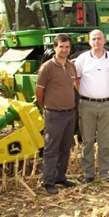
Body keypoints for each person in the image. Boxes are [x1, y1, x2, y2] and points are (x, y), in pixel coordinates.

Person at [35, 34, 77, 194]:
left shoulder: (71, 66)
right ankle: (49, 182)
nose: (65, 50)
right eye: (61, 47)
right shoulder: (47, 68)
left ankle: (61, 177)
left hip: (70, 113)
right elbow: (39, 91)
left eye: (67, 47)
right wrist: (46, 107)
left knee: (66, 147)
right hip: (54, 114)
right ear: (54, 48)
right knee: (51, 149)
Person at [75, 29, 109, 183]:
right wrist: (87, 93)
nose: (97, 42)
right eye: (93, 39)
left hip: (107, 105)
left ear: (104, 40)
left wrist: (101, 93)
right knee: (87, 141)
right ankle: (89, 174)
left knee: (105, 141)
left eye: (99, 38)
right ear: (89, 42)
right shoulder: (82, 58)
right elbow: (76, 79)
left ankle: (105, 173)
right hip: (87, 105)